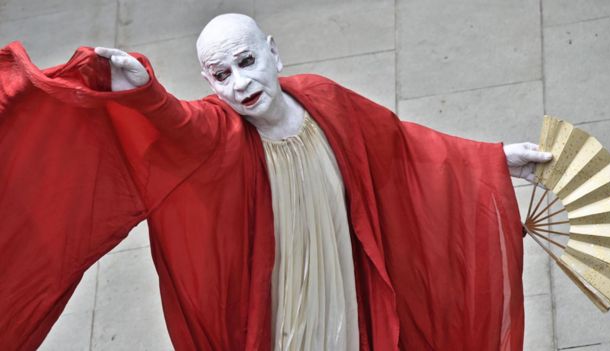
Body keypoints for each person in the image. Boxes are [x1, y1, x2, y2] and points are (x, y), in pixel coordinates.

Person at [0, 13, 550, 351]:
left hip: (345, 286)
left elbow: (405, 150)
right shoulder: (222, 133)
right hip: (284, 303)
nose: (240, 84)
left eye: (246, 61)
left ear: (272, 51)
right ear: (209, 83)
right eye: (221, 75)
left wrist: (495, 160)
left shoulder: (327, 101)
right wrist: (146, 93)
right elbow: (179, 127)